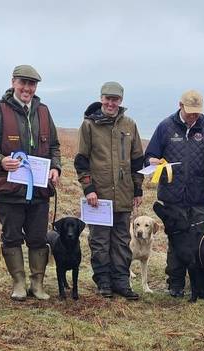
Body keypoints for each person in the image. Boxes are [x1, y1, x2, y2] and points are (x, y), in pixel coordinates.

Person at [0, 65, 61, 301]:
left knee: (38, 238)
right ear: (13, 82)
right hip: (8, 188)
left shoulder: (43, 111)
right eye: (23, 83)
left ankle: (38, 284)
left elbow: (54, 146)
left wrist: (55, 167)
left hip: (40, 191)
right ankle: (19, 283)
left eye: (32, 84)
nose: (27, 88)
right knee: (11, 237)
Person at [144, 89, 204, 298]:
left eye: (197, 112)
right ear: (180, 105)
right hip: (172, 197)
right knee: (176, 242)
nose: (193, 116)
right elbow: (150, 155)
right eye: (190, 112)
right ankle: (175, 283)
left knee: (200, 242)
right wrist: (151, 161)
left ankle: (200, 285)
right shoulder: (165, 127)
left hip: (198, 198)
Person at [74, 81, 144, 300]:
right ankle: (103, 281)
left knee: (122, 240)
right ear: (101, 98)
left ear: (121, 101)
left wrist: (138, 188)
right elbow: (81, 160)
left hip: (124, 194)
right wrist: (89, 189)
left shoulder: (130, 125)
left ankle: (121, 281)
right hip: (99, 196)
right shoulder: (88, 125)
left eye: (116, 99)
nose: (111, 103)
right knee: (100, 241)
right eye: (108, 98)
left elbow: (137, 160)